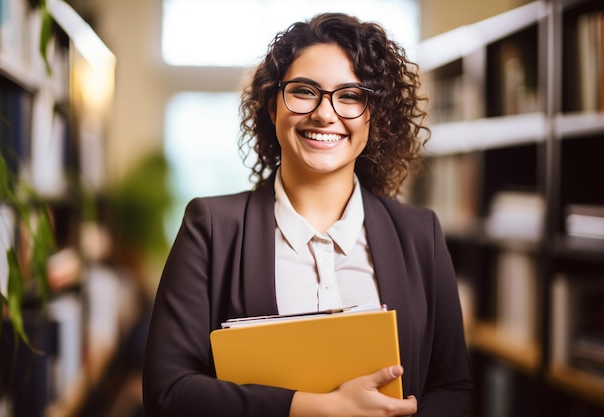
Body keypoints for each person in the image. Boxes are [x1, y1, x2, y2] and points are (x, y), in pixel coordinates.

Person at [142, 12, 472, 417]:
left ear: (375, 116)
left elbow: (452, 386)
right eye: (303, 91)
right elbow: (168, 392)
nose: (325, 114)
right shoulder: (211, 228)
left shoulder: (421, 234)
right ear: (271, 105)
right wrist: (313, 408)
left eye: (350, 95)